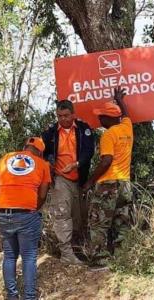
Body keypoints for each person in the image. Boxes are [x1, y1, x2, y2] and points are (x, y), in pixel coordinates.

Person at [0, 137, 51, 300]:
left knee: (10, 255)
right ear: (40, 152)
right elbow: (43, 194)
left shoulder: (6, 158)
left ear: (25, 147)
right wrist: (32, 206)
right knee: (29, 256)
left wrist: (6, 200)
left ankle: (12, 295)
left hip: (4, 212)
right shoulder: (42, 164)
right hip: (27, 214)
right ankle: (29, 297)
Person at [83, 87, 134, 262]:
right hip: (125, 183)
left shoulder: (108, 135)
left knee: (98, 223)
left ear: (109, 118)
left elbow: (106, 161)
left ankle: (99, 260)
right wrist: (119, 99)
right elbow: (126, 115)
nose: (99, 118)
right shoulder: (127, 128)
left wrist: (90, 181)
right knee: (122, 222)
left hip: (108, 185)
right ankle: (122, 257)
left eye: (101, 115)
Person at [42, 100, 95, 265]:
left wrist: (77, 164)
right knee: (63, 214)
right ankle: (66, 253)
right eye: (59, 116)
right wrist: (48, 161)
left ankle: (78, 249)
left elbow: (89, 151)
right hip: (60, 178)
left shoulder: (83, 129)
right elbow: (43, 151)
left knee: (78, 216)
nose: (63, 119)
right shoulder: (51, 132)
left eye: (66, 115)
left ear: (73, 114)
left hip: (79, 178)